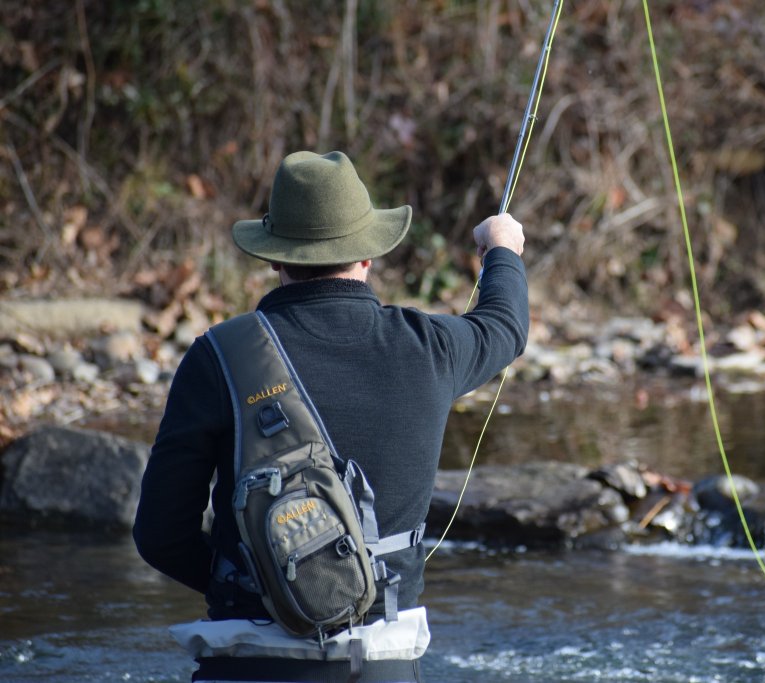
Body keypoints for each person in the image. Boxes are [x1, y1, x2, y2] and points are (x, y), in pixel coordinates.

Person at [134, 150, 529, 682]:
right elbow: (504, 325)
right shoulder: (431, 347)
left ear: (274, 258)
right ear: (367, 254)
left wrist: (261, 581)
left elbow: (160, 535)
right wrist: (501, 250)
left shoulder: (217, 358)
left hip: (247, 664)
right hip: (384, 668)